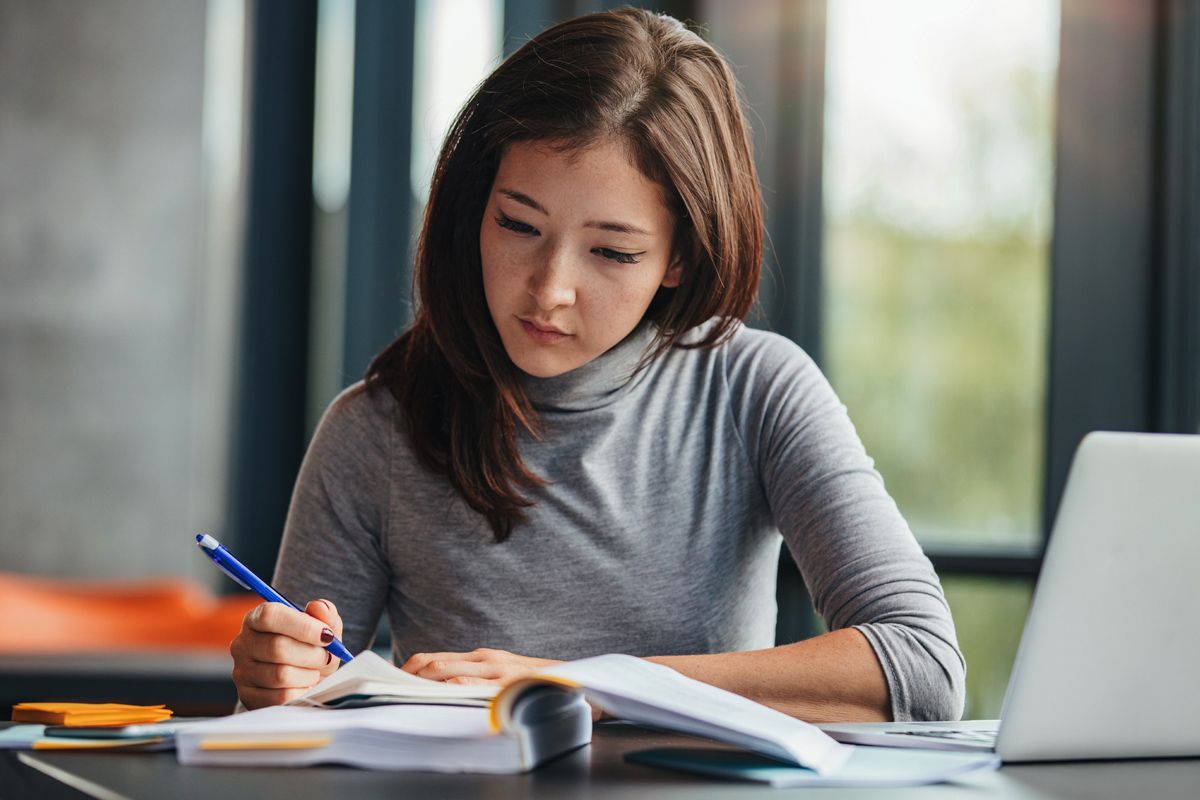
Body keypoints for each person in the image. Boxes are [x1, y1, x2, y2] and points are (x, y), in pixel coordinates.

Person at [230, 7, 965, 723]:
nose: (549, 290)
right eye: (518, 224)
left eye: (612, 251)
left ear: (680, 257)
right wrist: (275, 687)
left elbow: (922, 666)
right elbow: (283, 732)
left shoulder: (755, 391)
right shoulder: (377, 432)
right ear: (473, 208)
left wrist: (582, 685)